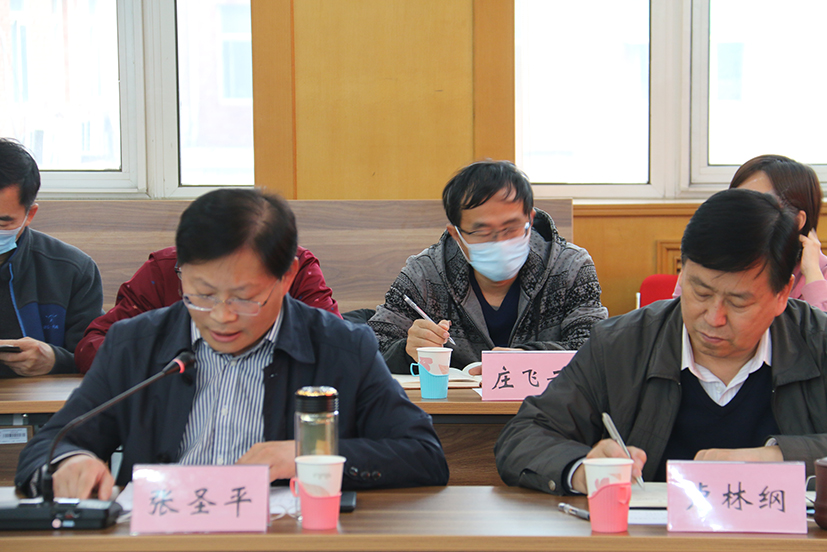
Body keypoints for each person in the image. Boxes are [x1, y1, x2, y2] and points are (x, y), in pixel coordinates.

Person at [16, 188, 448, 499]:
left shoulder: (341, 347)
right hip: (160, 537)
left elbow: (423, 455)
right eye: (202, 294)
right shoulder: (135, 344)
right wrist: (69, 463)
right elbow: (48, 447)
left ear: (287, 277)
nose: (221, 315)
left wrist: (306, 456)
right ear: (181, 273)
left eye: (244, 297)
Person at [495, 188, 827, 495]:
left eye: (739, 302)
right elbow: (524, 435)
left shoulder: (819, 342)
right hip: (650, 533)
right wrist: (583, 468)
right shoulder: (622, 344)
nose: (714, 317)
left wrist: (778, 457)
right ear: (683, 274)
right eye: (700, 292)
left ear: (782, 293)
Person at [368, 160, 608, 374]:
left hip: (547, 406)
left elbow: (595, 350)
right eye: (482, 232)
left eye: (511, 228)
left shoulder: (570, 267)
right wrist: (406, 350)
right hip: (454, 409)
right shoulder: (424, 273)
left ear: (530, 220)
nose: (500, 242)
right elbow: (371, 350)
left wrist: (528, 358)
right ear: (457, 234)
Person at [74, 245, 341, 374]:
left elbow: (334, 347)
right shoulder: (163, 271)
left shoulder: (293, 268)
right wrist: (164, 366)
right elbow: (94, 345)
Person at [0, 139, 103, 378]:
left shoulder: (72, 270)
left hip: (37, 400)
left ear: (30, 214)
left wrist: (55, 360)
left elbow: (95, 356)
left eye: (3, 222)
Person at [674, 154, 827, 310]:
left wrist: (812, 272)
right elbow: (678, 316)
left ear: (797, 221)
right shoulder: (712, 255)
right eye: (737, 202)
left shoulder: (821, 271)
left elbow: (820, 325)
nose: (741, 214)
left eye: (759, 204)